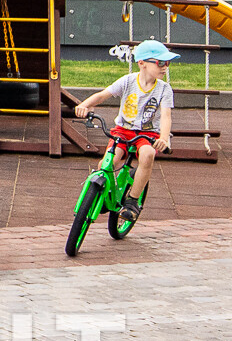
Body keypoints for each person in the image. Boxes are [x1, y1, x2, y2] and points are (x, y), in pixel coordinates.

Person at [73, 39, 178, 224]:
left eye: (167, 63)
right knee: (108, 163)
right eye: (160, 62)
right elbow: (103, 95)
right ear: (142, 63)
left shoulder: (164, 89)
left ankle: (132, 201)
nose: (165, 67)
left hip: (147, 134)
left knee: (148, 154)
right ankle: (104, 192)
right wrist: (84, 105)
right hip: (123, 131)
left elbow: (166, 116)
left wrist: (163, 138)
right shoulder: (128, 81)